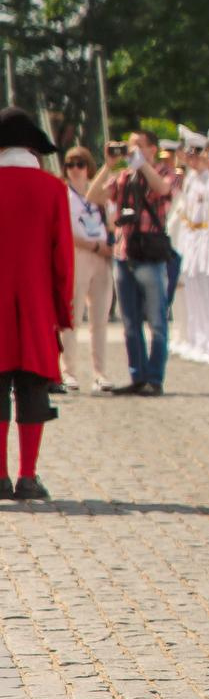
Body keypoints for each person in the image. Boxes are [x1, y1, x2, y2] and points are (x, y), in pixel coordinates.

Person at [0, 107, 73, 499]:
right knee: (32, 389)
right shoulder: (53, 189)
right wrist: (62, 311)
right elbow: (62, 259)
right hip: (36, 304)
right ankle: (28, 476)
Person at [87, 128, 176, 397]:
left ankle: (155, 377)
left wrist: (144, 165)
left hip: (150, 254)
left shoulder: (163, 171)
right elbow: (94, 196)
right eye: (129, 147)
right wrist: (109, 164)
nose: (132, 151)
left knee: (157, 322)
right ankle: (137, 376)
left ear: (152, 148)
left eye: (138, 146)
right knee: (130, 321)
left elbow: (162, 189)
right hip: (125, 254)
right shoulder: (124, 177)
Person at [60, 146, 115, 392]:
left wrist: (109, 244)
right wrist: (93, 246)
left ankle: (100, 372)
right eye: (70, 164)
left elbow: (112, 221)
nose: (75, 169)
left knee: (100, 318)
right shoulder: (63, 193)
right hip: (78, 254)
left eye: (80, 164)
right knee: (72, 316)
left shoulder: (99, 191)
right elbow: (64, 231)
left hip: (101, 257)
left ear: (88, 166)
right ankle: (68, 370)